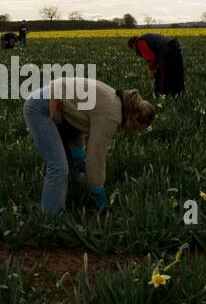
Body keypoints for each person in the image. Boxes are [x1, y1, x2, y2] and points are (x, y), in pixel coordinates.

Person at [22, 77, 156, 214]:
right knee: (59, 167)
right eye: (134, 128)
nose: (129, 131)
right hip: (40, 109)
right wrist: (98, 190)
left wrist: (78, 153)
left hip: (54, 106)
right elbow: (95, 156)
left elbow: (77, 118)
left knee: (70, 164)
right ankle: (50, 219)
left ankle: (72, 196)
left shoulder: (114, 100)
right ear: (133, 116)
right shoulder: (111, 116)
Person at [127, 33, 185, 97]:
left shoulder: (140, 42)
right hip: (176, 50)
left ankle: (161, 96)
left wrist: (151, 70)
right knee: (177, 76)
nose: (135, 51)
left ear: (133, 45)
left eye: (133, 49)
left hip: (167, 54)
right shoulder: (146, 38)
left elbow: (151, 58)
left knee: (161, 78)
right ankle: (178, 95)